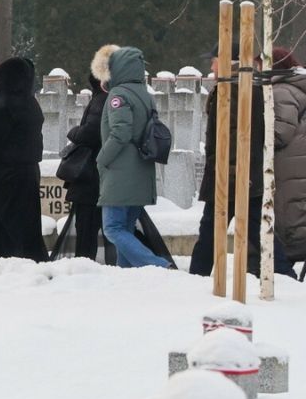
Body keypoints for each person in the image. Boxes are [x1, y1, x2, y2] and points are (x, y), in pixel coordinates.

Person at [190, 44, 293, 277]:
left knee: (212, 229)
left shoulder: (233, 89)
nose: (211, 66)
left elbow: (235, 134)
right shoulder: (239, 86)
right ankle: (284, 273)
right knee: (254, 226)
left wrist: (231, 172)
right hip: (240, 174)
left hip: (233, 175)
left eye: (214, 60)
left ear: (229, 62)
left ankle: (198, 275)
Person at [94, 44, 172, 269]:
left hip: (120, 173)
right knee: (125, 228)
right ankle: (126, 274)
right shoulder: (145, 95)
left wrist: (102, 159)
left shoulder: (118, 95)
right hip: (141, 172)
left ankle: (157, 265)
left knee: (113, 229)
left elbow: (121, 132)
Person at [0, 56, 47, 264]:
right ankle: (31, 263)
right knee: (26, 227)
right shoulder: (30, 103)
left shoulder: (2, 104)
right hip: (28, 173)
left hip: (4, 176)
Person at [62, 68, 108, 259]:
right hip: (97, 173)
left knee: (87, 226)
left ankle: (85, 264)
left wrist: (73, 132)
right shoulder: (105, 98)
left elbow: (91, 133)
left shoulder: (101, 100)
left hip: (90, 173)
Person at [270, 47, 306, 278]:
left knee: (286, 221)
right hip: (294, 163)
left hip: (287, 166)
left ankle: (284, 275)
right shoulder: (291, 86)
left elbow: (280, 131)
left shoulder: (281, 90)